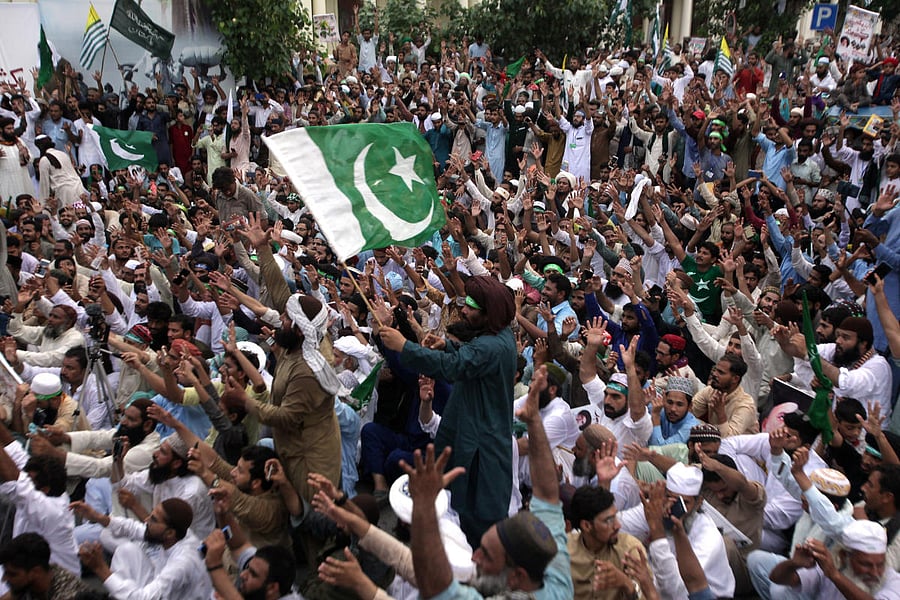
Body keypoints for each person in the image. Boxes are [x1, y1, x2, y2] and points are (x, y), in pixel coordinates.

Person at [404, 365, 574, 598]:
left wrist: (424, 507)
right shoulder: (558, 584)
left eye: (486, 554)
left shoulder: (505, 441)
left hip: (499, 510)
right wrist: (533, 420)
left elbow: (436, 585)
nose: (474, 558)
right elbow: (547, 496)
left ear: (517, 577)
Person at [380, 274, 516, 546]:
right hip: (469, 425)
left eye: (470, 307)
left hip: (478, 440)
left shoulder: (490, 347)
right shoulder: (499, 335)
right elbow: (469, 356)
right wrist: (449, 345)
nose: (463, 311)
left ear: (489, 312)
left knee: (471, 504)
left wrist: (403, 347)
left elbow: (452, 367)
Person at [72, 497, 212, 600]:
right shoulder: (178, 533)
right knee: (127, 550)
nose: (146, 520)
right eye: (151, 515)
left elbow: (144, 598)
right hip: (161, 590)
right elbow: (133, 528)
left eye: (154, 520)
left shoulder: (182, 562)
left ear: (170, 533)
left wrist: (101, 569)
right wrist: (97, 517)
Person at [768, 519, 900, 599]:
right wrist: (793, 564)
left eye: (880, 564)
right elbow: (777, 578)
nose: (875, 572)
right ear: (844, 556)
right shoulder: (833, 566)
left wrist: (835, 576)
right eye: (866, 565)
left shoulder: (894, 580)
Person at [0, 533, 89, 600]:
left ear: (35, 572)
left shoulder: (67, 595)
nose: (4, 579)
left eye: (12, 574)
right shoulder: (44, 574)